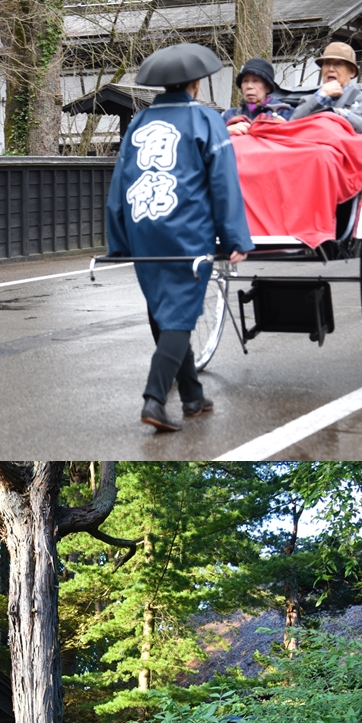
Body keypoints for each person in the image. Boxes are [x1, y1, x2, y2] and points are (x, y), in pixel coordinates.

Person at [107, 42, 253, 432]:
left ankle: (192, 395)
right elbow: (223, 184)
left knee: (163, 311)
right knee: (181, 316)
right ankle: (154, 399)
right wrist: (236, 237)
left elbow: (120, 183)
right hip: (187, 231)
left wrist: (119, 238)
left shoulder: (138, 124)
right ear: (195, 84)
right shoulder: (206, 121)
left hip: (144, 230)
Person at [287, 41, 362, 146]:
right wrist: (322, 95)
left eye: (338, 64)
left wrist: (343, 115)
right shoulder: (310, 101)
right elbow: (291, 126)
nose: (331, 69)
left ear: (352, 72)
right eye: (326, 64)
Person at [224, 58, 293, 136]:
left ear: (268, 88)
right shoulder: (230, 115)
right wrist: (226, 131)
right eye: (245, 81)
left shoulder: (284, 112)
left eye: (256, 81)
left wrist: (285, 128)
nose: (249, 86)